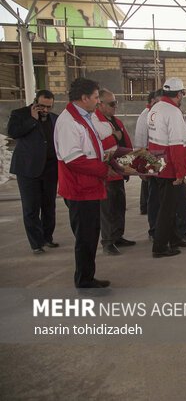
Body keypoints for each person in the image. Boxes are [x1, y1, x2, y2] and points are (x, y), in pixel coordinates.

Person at [54, 77, 115, 288]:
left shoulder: (82, 116)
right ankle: (84, 279)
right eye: (96, 97)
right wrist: (102, 169)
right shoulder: (68, 122)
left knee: (90, 234)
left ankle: (87, 275)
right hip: (79, 187)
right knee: (85, 237)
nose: (99, 101)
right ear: (84, 98)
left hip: (88, 184)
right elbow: (74, 159)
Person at [8, 89, 59, 254]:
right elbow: (13, 133)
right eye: (42, 106)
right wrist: (32, 119)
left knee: (49, 206)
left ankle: (47, 238)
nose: (45, 110)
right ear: (35, 102)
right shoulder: (19, 114)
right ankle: (36, 243)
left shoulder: (54, 118)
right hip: (28, 170)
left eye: (49, 107)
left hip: (50, 170)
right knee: (31, 207)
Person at [148, 77, 186, 258]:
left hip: (157, 164)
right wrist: (180, 173)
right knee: (167, 209)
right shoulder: (173, 112)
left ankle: (174, 238)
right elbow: (176, 145)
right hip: (169, 168)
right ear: (179, 94)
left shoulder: (155, 108)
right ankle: (160, 247)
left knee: (168, 205)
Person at [93, 89, 136, 256]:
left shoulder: (116, 121)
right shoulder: (94, 121)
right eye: (112, 104)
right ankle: (107, 241)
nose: (115, 106)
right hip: (106, 171)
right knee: (107, 208)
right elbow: (95, 146)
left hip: (119, 169)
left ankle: (118, 236)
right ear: (100, 104)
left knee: (119, 205)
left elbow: (125, 142)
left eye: (116, 103)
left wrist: (130, 165)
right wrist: (114, 137)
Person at [136, 90, 162, 215]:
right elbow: (140, 141)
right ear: (153, 101)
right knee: (148, 183)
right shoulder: (145, 115)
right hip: (147, 153)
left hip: (155, 155)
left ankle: (145, 205)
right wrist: (140, 164)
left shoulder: (155, 114)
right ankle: (145, 206)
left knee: (149, 184)